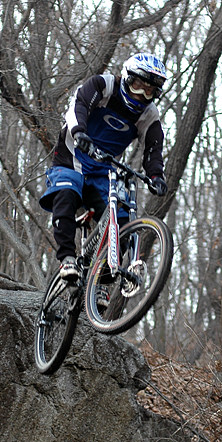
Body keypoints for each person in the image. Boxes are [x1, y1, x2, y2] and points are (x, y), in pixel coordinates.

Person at [39, 53, 169, 282]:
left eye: (149, 91)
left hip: (103, 171)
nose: (141, 95)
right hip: (72, 157)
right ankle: (67, 258)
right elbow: (78, 104)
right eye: (138, 86)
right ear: (127, 78)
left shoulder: (149, 115)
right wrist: (79, 132)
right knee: (66, 193)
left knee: (122, 220)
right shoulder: (104, 86)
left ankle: (100, 280)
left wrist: (156, 175)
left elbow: (153, 149)